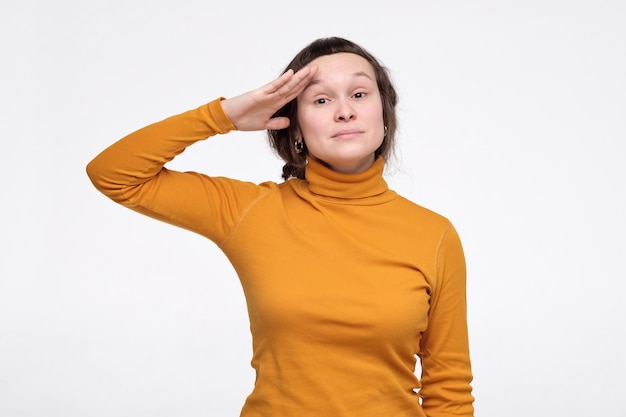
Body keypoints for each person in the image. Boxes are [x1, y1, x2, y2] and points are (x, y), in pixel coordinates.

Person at [87, 36, 475, 417]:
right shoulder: (252, 211)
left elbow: (448, 387)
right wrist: (221, 116)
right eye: (321, 100)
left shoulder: (434, 235)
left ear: (385, 115)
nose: (344, 111)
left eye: (359, 94)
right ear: (295, 128)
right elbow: (114, 174)